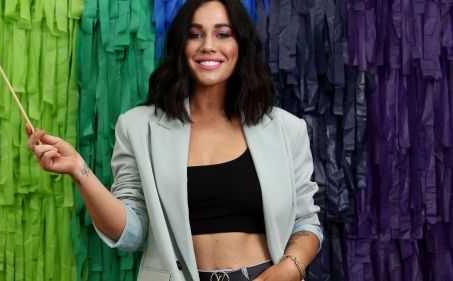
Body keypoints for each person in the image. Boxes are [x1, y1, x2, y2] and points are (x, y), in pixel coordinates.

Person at [26, 0, 323, 280]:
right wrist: (79, 170)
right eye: (195, 35)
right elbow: (131, 233)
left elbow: (306, 222)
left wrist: (291, 267)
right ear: (181, 46)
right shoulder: (138, 127)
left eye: (223, 34)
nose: (208, 46)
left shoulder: (286, 128)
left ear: (240, 46)